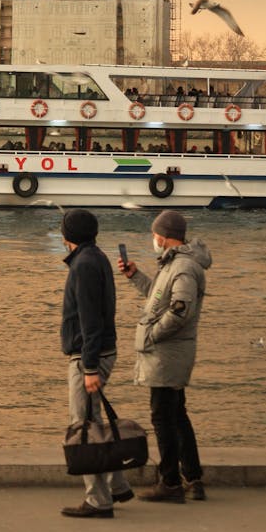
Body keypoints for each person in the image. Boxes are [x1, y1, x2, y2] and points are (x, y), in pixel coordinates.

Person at [117, 209, 211, 503]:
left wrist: (152, 335)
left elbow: (180, 310)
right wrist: (135, 276)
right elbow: (159, 300)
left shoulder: (183, 268)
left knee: (163, 417)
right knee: (176, 414)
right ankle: (192, 478)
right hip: (169, 354)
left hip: (168, 354)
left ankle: (170, 482)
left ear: (165, 236)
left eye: (154, 234)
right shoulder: (174, 264)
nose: (153, 239)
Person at [60, 209, 133, 518]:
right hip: (100, 351)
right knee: (95, 421)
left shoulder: (83, 266)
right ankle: (117, 484)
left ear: (68, 236)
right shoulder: (96, 257)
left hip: (88, 356)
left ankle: (98, 500)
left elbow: (90, 321)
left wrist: (89, 368)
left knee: (84, 428)